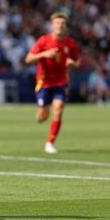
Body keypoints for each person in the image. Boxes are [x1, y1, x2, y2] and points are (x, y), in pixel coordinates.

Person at [25, 12, 80, 154]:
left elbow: (77, 62)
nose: (60, 26)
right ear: (52, 25)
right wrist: (44, 54)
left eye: (62, 23)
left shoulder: (70, 43)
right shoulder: (44, 41)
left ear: (66, 26)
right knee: (43, 116)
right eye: (57, 23)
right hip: (44, 82)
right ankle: (41, 111)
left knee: (58, 108)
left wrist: (72, 63)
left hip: (61, 82)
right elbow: (28, 59)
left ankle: (50, 142)